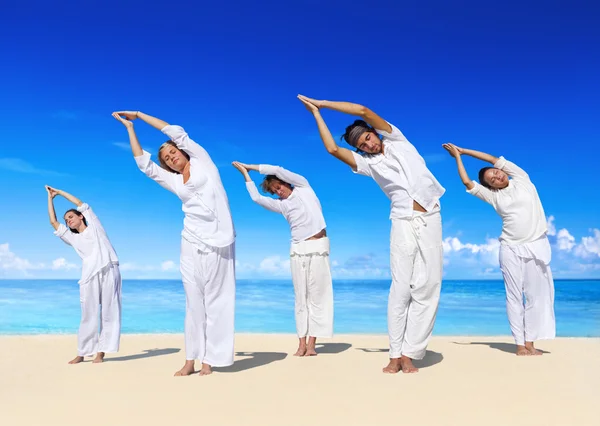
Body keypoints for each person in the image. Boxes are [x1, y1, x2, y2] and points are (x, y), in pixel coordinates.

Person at [298, 94, 445, 373]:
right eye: (361, 144)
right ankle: (394, 354)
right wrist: (316, 115)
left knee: (428, 287)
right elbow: (331, 149)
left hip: (431, 217)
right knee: (400, 288)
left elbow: (364, 110)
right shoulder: (369, 165)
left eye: (367, 137)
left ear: (374, 132)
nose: (367, 144)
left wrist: (322, 104)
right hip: (402, 220)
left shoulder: (397, 140)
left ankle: (410, 354)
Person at [112, 111, 236, 376]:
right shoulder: (174, 180)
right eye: (167, 159)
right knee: (193, 302)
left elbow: (174, 131)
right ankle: (191, 359)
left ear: (181, 150)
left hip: (219, 241)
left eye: (172, 152)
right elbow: (144, 165)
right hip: (190, 239)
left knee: (217, 301)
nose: (171, 157)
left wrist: (139, 115)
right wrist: (130, 129)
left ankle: (210, 360)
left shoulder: (204, 161)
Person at [443, 142, 555, 355]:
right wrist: (457, 158)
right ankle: (520, 345)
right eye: (492, 179)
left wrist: (464, 151)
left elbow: (493, 159)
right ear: (491, 187)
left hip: (536, 245)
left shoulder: (521, 179)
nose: (496, 176)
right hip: (510, 248)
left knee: (536, 296)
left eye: (496, 173)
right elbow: (467, 182)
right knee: (514, 296)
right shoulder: (494, 196)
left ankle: (530, 342)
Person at [232, 161, 333, 356]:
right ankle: (301, 344)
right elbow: (256, 198)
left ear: (287, 183)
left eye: (279, 187)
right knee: (300, 299)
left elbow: (277, 170)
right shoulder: (282, 206)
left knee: (318, 297)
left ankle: (312, 344)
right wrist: (245, 175)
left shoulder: (304, 188)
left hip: (318, 247)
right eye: (275, 191)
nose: (278, 192)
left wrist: (251, 166)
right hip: (297, 249)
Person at [46, 185, 121, 364]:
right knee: (88, 314)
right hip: (89, 275)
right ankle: (82, 352)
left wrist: (59, 192)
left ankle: (101, 352)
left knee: (110, 313)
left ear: (81, 216)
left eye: (71, 216)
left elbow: (80, 203)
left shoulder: (94, 225)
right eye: (67, 220)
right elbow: (53, 222)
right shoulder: (72, 238)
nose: (68, 220)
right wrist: (50, 198)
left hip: (109, 268)